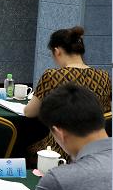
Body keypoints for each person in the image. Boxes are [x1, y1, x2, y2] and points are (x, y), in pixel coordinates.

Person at [24, 26, 111, 162]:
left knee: (26, 146)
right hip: (97, 150)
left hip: (62, 148)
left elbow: (29, 112)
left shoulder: (52, 75)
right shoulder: (104, 76)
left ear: (57, 51)